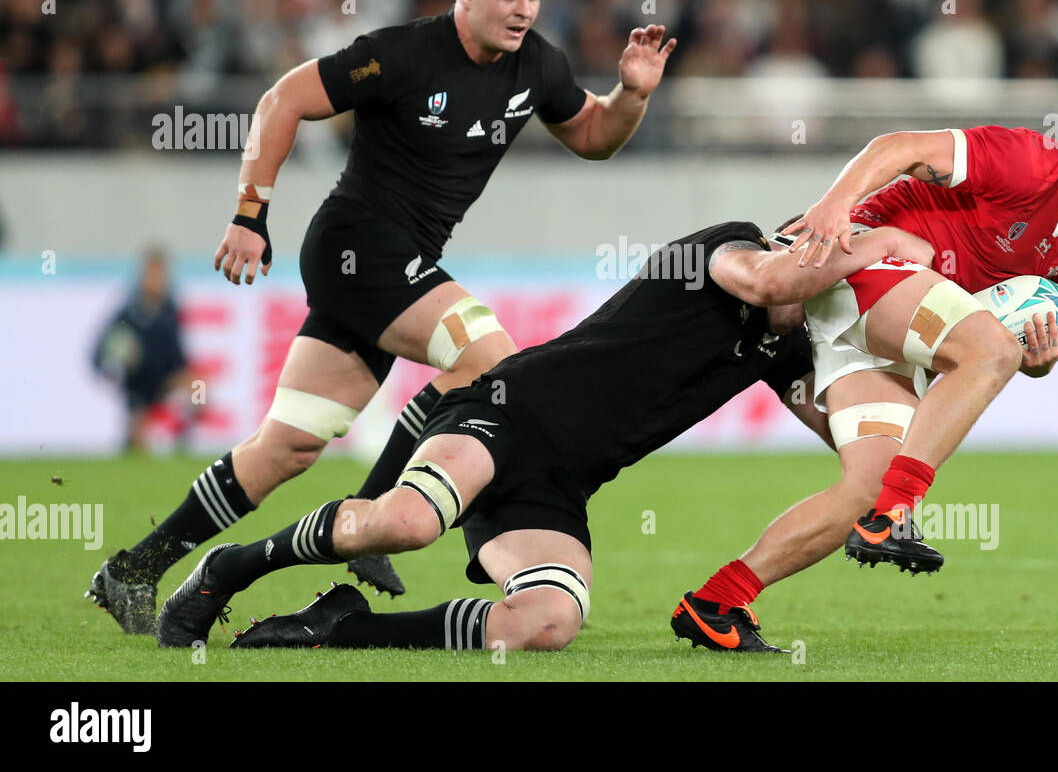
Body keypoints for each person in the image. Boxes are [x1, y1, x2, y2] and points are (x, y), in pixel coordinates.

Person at [87, 0, 677, 635]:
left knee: (288, 446)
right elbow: (283, 101)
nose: (525, 9)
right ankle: (377, 511)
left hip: (398, 267)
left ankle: (134, 569)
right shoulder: (401, 55)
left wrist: (632, 95)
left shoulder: (540, 67)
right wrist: (249, 213)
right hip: (356, 245)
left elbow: (591, 136)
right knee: (488, 356)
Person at [153, 221, 935, 653]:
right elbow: (770, 281)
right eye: (826, 251)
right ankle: (232, 564)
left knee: (548, 622)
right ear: (800, 241)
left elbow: (850, 441)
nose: (833, 269)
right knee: (406, 521)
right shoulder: (731, 249)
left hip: (560, 484)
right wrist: (879, 243)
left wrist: (933, 380)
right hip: (507, 410)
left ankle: (341, 627)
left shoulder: (793, 352)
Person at [671, 115, 1058, 651]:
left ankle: (716, 602)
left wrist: (1038, 361)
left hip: (875, 322)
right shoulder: (1027, 161)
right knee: (988, 354)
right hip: (864, 259)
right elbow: (896, 146)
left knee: (868, 486)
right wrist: (835, 205)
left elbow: (993, 329)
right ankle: (895, 512)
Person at [91, 248, 193, 452]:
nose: (156, 279)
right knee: (138, 437)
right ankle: (133, 441)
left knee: (199, 391)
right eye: (151, 274)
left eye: (160, 274)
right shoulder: (128, 312)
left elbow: (179, 354)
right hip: (138, 384)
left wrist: (186, 377)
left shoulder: (169, 310)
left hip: (166, 381)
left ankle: (180, 445)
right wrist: (112, 369)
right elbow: (99, 352)